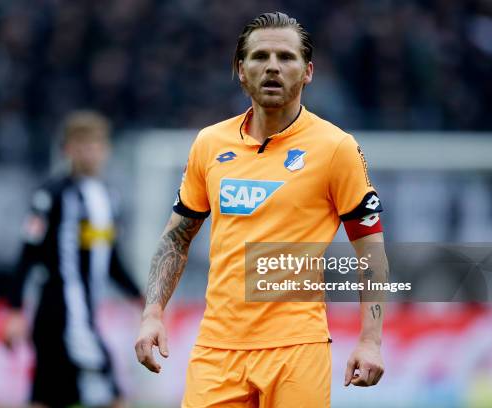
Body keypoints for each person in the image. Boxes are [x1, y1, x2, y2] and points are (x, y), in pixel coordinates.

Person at [135, 12, 388, 408]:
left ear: (307, 72)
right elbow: (178, 236)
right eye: (260, 56)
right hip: (217, 348)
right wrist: (152, 313)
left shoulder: (335, 148)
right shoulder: (209, 143)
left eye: (286, 57)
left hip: (296, 349)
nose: (272, 66)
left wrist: (370, 340)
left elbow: (370, 250)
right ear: (240, 70)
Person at [2, 110, 142, 408]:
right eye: (81, 144)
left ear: (106, 149)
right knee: (114, 394)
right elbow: (28, 253)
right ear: (67, 149)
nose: (89, 151)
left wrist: (139, 296)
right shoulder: (51, 195)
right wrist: (14, 311)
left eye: (95, 144)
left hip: (83, 314)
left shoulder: (108, 197)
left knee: (47, 396)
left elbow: (110, 258)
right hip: (60, 313)